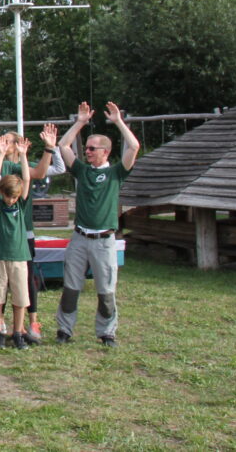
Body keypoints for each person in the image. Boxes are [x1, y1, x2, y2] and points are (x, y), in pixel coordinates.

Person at [55, 102, 139, 347]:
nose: (88, 152)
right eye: (87, 148)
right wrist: (80, 122)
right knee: (71, 288)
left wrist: (119, 122)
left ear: (106, 152)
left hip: (104, 241)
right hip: (80, 238)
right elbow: (63, 146)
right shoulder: (82, 171)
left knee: (106, 291)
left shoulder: (115, 173)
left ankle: (107, 333)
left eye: (92, 148)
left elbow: (134, 146)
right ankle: (64, 330)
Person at [0, 136, 33, 350]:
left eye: (14, 198)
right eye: (8, 197)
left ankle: (18, 331)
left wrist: (22, 155)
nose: (11, 200)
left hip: (19, 256)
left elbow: (27, 178)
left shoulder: (20, 204)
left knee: (21, 297)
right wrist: (1, 153)